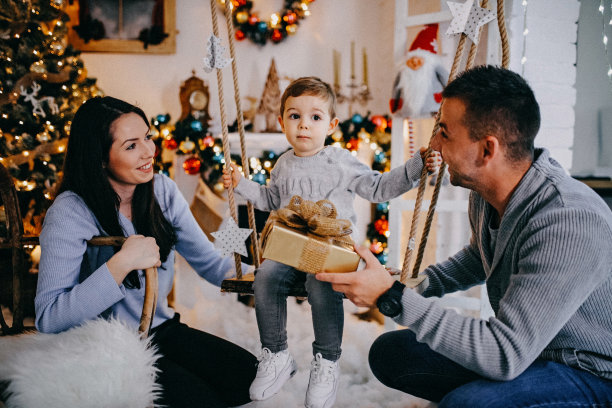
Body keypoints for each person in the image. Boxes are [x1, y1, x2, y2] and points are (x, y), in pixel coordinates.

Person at [317, 65, 612, 407]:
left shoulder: (567, 221)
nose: (434, 144)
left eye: (444, 132)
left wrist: (392, 296)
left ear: (487, 150)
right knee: (390, 353)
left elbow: (504, 353)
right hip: (532, 350)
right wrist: (417, 283)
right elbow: (480, 255)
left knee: (467, 403)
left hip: (589, 369)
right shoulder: (487, 193)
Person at [223, 76, 439, 408]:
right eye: (294, 116)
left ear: (331, 124)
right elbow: (269, 199)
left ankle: (326, 361)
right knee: (265, 276)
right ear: (282, 122)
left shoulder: (340, 161)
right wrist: (241, 183)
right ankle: (276, 354)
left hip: (330, 250)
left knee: (321, 281)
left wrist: (415, 167)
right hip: (291, 247)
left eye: (315, 117)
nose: (304, 125)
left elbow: (378, 188)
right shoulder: (282, 164)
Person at [34, 96, 258, 408]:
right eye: (131, 145)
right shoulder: (71, 211)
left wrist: (262, 276)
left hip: (159, 329)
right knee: (201, 400)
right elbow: (50, 317)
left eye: (148, 137)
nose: (149, 151)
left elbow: (208, 262)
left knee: (250, 378)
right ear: (100, 158)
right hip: (102, 343)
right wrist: (121, 263)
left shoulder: (162, 190)